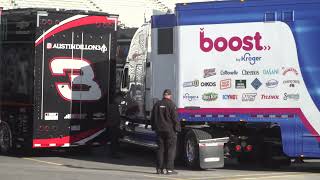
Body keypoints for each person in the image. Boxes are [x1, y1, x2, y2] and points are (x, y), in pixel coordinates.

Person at [151, 89, 181, 175]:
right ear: (170, 96)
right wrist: (177, 129)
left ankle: (159, 169)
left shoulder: (157, 104)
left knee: (160, 149)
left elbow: (152, 118)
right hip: (170, 131)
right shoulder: (172, 105)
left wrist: (154, 128)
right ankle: (169, 169)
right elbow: (175, 118)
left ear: (163, 95)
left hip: (159, 131)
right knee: (170, 150)